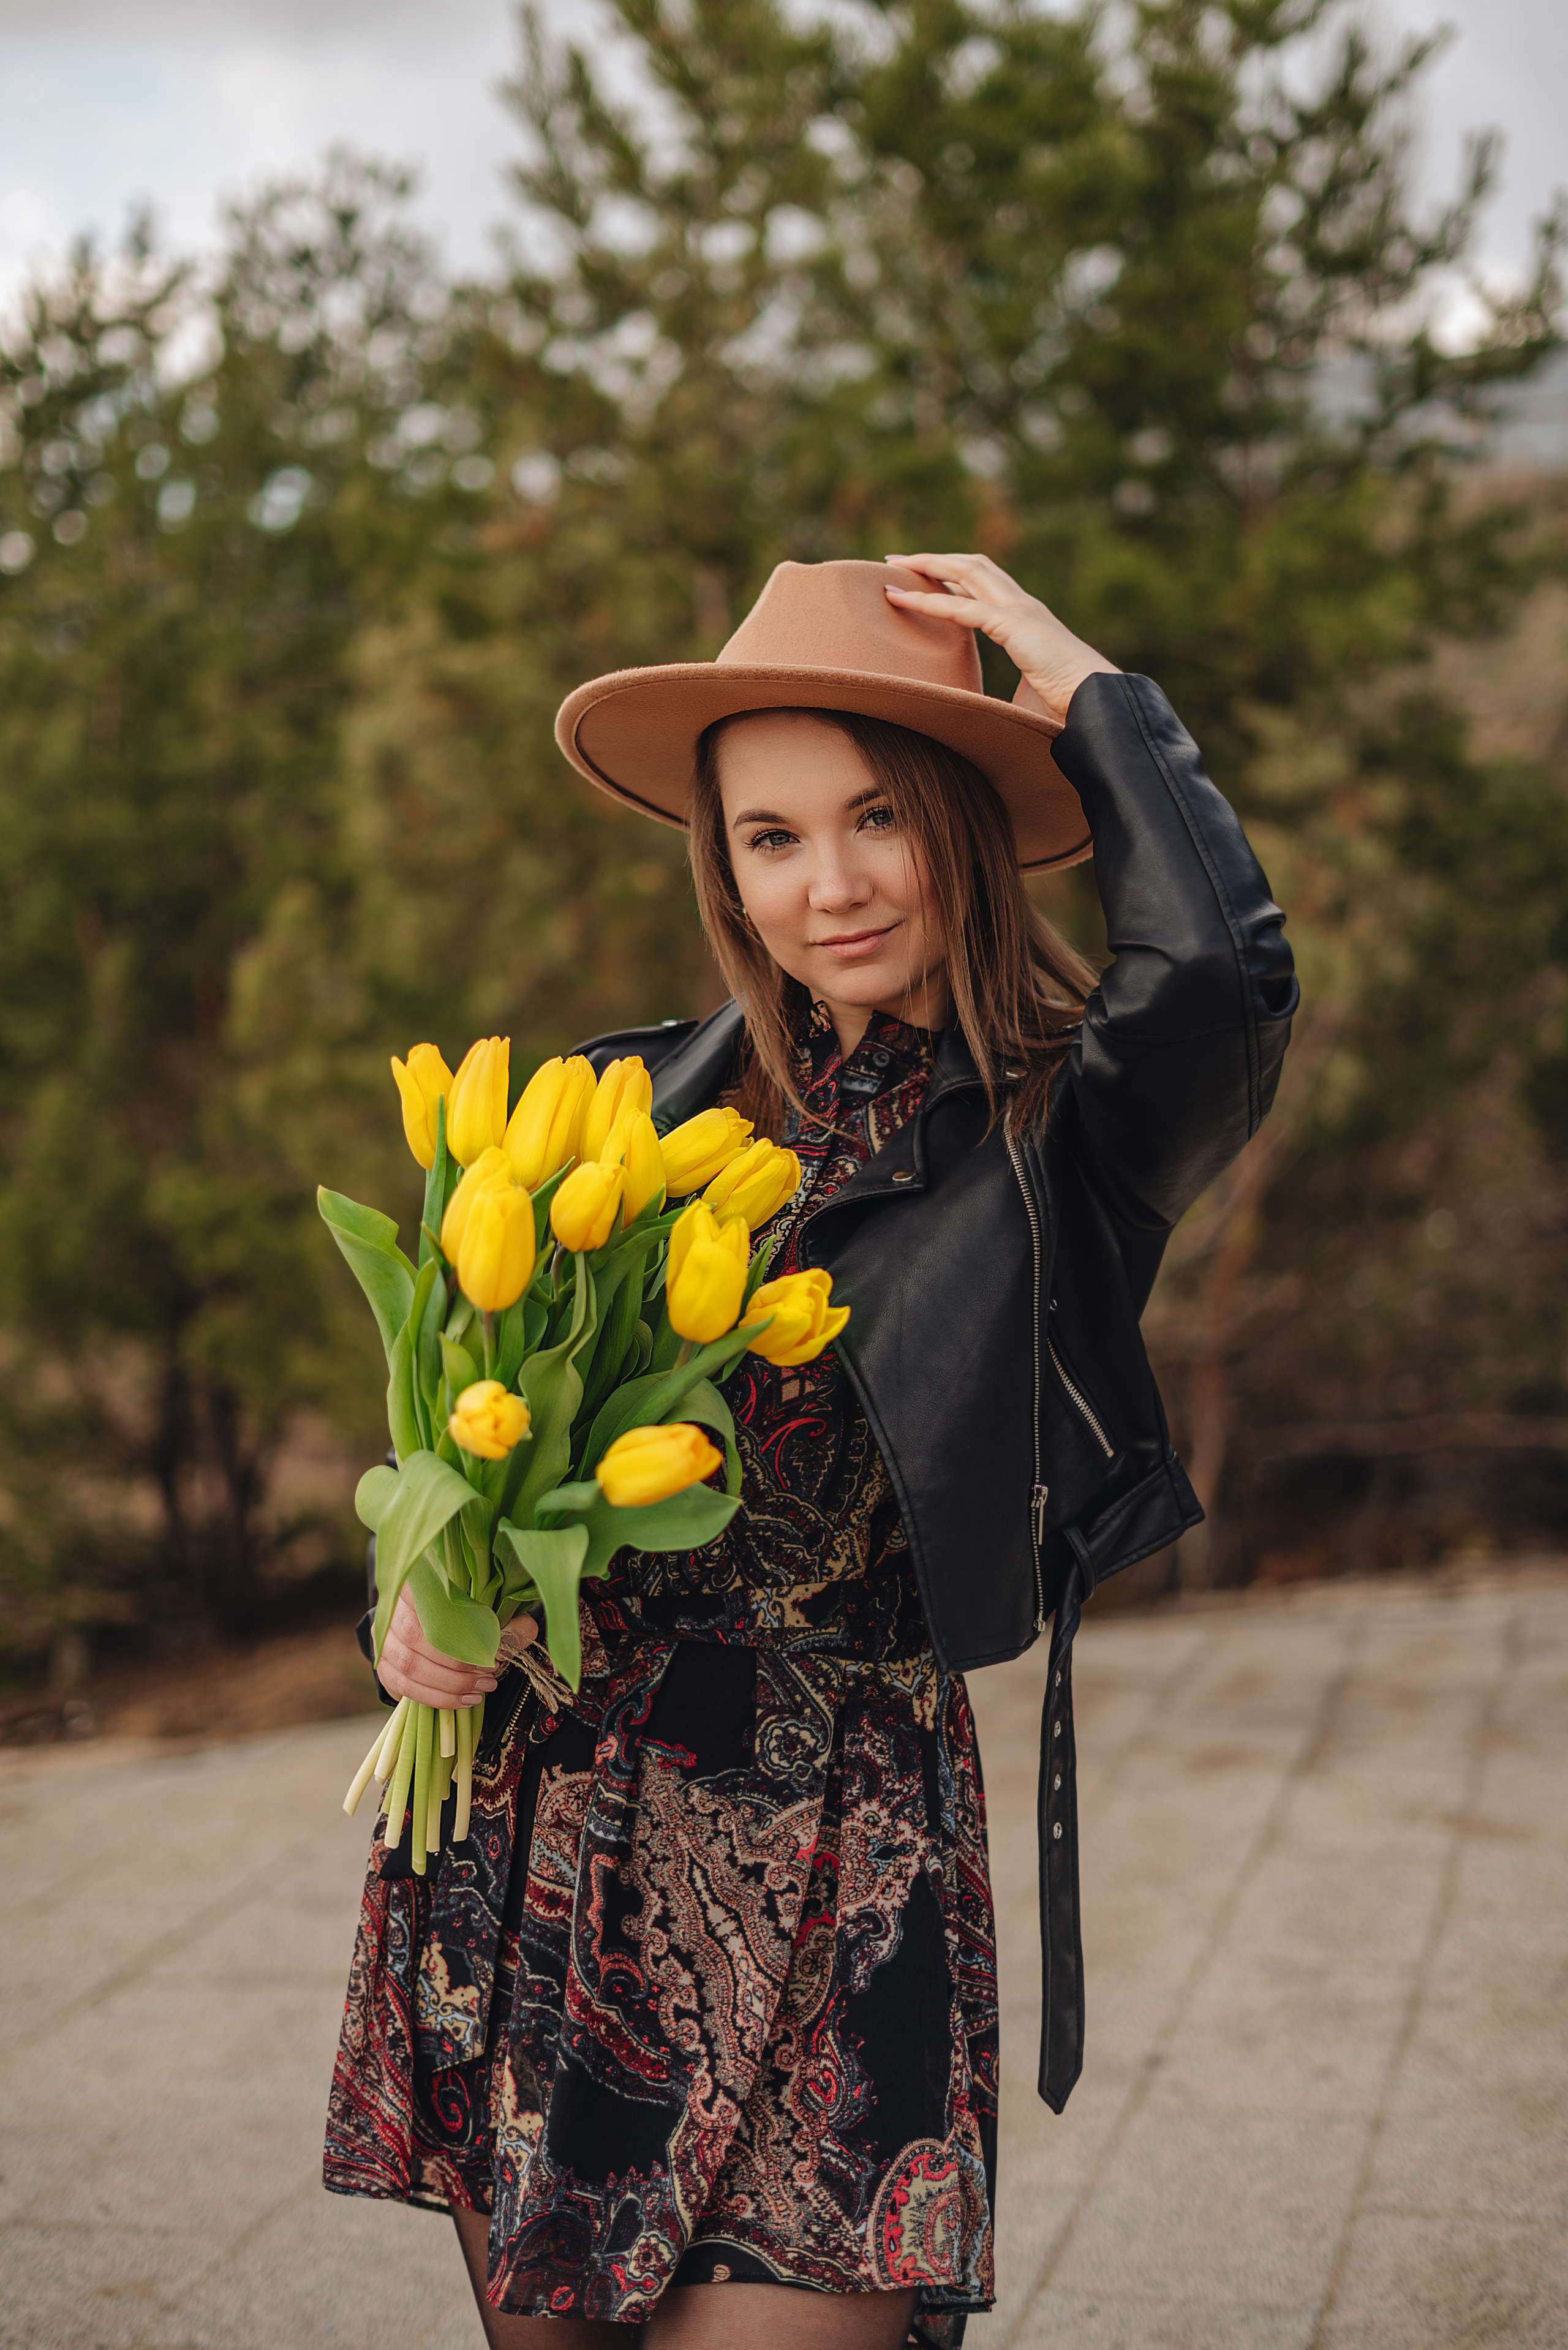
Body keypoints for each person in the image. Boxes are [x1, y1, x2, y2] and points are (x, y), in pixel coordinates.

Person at [323, 553, 1297, 2350]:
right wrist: (421, 1602)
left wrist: (1082, 679)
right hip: (549, 1849)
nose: (828, 884)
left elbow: (1221, 980)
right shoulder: (621, 1118)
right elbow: (463, 1449)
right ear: (725, 867)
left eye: (876, 819)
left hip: (843, 1858)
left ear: (964, 830)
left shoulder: (1059, 1126)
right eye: (771, 837)